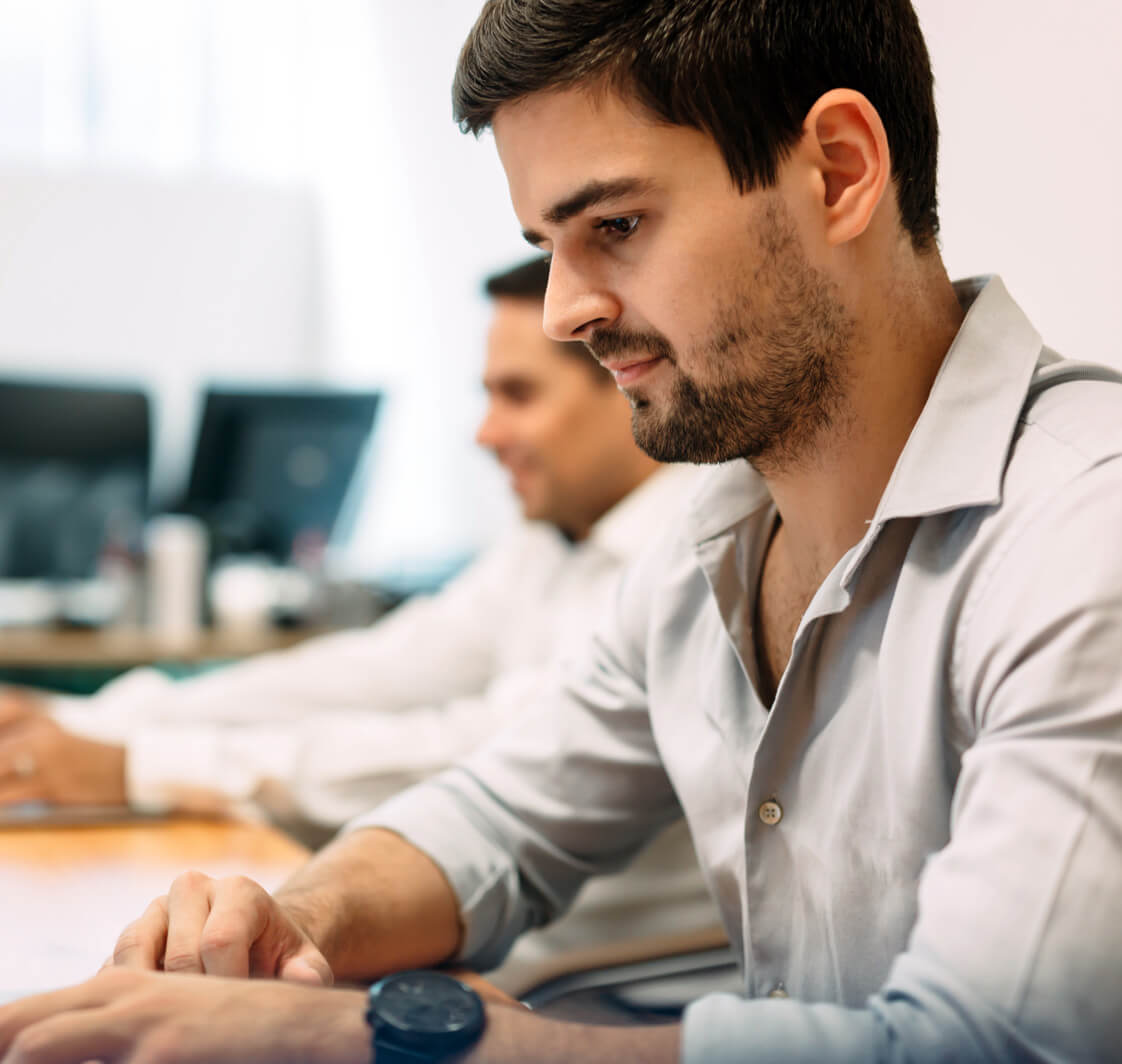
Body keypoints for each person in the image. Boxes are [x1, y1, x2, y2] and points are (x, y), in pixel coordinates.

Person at [2, 0, 1121, 1061]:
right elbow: (498, 813)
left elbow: (985, 1043)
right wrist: (291, 926)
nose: (564, 310)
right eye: (551, 243)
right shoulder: (710, 542)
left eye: (615, 226)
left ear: (838, 171)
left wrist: (365, 1037)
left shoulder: (1084, 531)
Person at [0, 256, 717, 991]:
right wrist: (90, 723)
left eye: (519, 395)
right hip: (480, 969)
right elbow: (372, 673)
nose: (486, 433)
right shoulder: (554, 542)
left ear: (627, 380)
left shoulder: (692, 558)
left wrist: (136, 764)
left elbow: (474, 754)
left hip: (591, 1005)